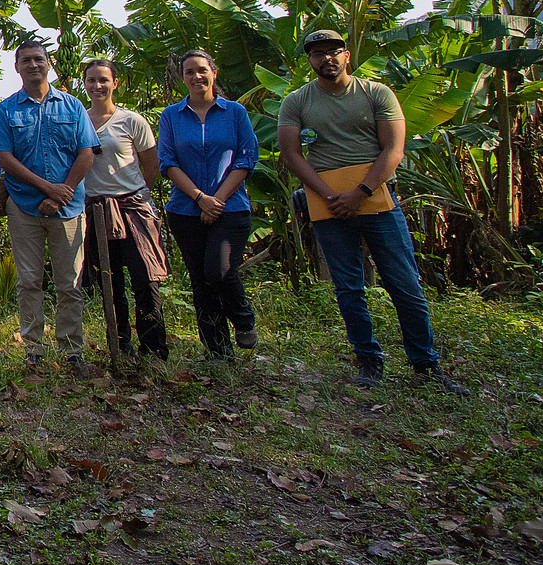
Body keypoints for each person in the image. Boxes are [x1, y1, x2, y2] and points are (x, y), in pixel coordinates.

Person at [276, 28, 467, 393]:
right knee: (348, 287)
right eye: (317, 53)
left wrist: (360, 193)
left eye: (333, 51)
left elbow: (393, 150)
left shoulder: (375, 92)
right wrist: (332, 196)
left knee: (405, 284)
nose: (326, 58)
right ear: (310, 60)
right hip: (327, 202)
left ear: (347, 55)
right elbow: (292, 154)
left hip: (376, 199)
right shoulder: (296, 102)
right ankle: (368, 362)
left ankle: (426, 365)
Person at [0, 38, 98, 370]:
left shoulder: (73, 106)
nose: (33, 65)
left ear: (48, 63)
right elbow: (4, 157)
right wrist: (47, 187)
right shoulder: (7, 110)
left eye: (39, 59)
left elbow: (86, 153)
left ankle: (71, 349)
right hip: (23, 205)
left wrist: (64, 189)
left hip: (69, 206)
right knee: (29, 279)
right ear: (17, 67)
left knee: (70, 281)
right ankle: (33, 347)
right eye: (26, 60)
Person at [156, 50, 257, 362]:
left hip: (231, 208)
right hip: (185, 210)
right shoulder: (171, 116)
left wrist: (218, 200)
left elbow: (245, 159)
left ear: (213, 73)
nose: (196, 77)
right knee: (200, 281)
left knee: (220, 269)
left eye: (201, 70)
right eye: (189, 72)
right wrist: (200, 198)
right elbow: (167, 162)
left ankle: (242, 318)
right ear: (182, 77)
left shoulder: (235, 112)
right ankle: (218, 352)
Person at [82, 60, 170, 361]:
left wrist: (139, 193)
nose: (97, 86)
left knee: (145, 278)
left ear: (114, 83)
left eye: (103, 80)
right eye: (91, 80)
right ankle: (120, 346)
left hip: (132, 207)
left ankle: (154, 348)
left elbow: (151, 164)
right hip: (95, 209)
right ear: (85, 84)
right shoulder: (78, 120)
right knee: (109, 281)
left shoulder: (132, 121)